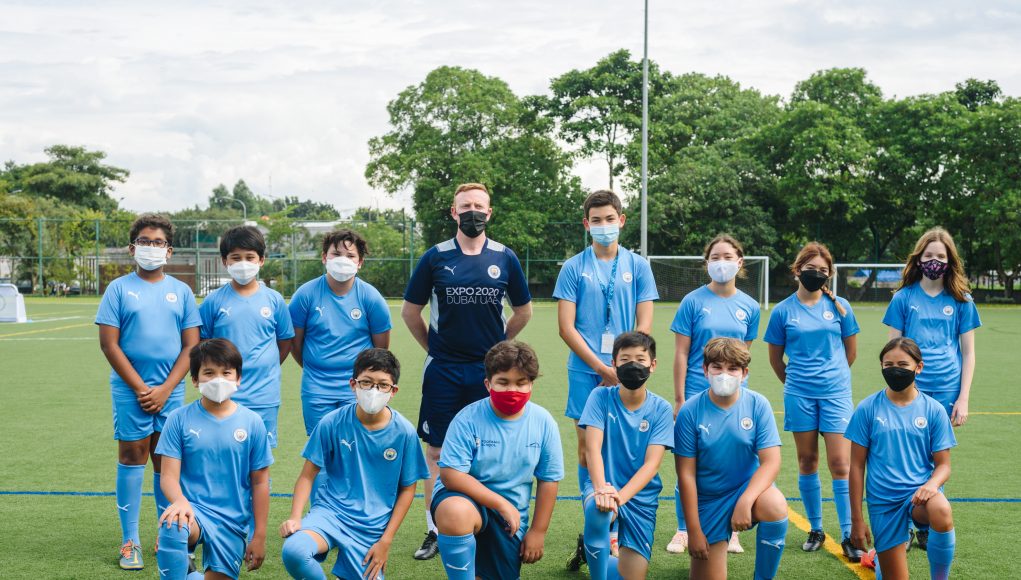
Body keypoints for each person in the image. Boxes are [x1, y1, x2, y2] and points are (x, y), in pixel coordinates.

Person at [402, 183, 533, 559]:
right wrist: (434, 349)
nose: (472, 211)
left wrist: (499, 350)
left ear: (489, 212)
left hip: (487, 373)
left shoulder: (505, 257)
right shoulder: (435, 257)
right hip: (443, 370)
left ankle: (489, 522)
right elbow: (410, 311)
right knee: (437, 450)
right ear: (453, 212)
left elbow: (523, 310)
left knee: (488, 447)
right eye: (465, 206)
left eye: (478, 205)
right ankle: (435, 529)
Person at [554, 189, 658, 569]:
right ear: (587, 224)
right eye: (596, 220)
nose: (603, 225)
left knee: (623, 446)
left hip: (628, 368)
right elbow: (566, 327)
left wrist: (625, 365)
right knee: (587, 449)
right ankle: (597, 525)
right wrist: (602, 369)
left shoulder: (638, 266)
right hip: (587, 371)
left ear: (621, 221)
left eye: (609, 219)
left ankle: (614, 521)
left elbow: (645, 324)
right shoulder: (573, 267)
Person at [95, 213, 201, 570]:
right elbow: (109, 344)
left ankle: (164, 534)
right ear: (132, 248)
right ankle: (130, 541)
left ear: (168, 251)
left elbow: (191, 346)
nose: (150, 247)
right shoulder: (118, 289)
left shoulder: (181, 291)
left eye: (158, 243)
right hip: (131, 391)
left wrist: (166, 389)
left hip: (170, 391)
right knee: (132, 455)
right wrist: (142, 388)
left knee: (164, 459)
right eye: (144, 241)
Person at [280, 348, 429, 580]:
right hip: (329, 513)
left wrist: (385, 541)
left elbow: (408, 489)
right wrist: (295, 517)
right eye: (366, 382)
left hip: (371, 527)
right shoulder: (331, 422)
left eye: (383, 385)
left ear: (393, 391)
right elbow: (307, 475)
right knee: (294, 551)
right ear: (353, 384)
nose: (373, 391)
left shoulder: (405, 433)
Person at [431, 340, 563, 579]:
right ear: (488, 383)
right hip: (466, 498)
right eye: (503, 382)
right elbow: (450, 475)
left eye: (521, 383)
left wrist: (538, 531)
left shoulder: (544, 423)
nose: (512, 390)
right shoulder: (467, 419)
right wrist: (500, 503)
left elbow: (549, 480)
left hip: (510, 517)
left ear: (531, 384)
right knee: (455, 511)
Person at [763, 242, 862, 559]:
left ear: (829, 274)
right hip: (799, 395)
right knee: (807, 461)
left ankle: (848, 534)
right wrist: (797, 383)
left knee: (841, 464)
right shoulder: (782, 311)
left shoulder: (841, 306)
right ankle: (816, 529)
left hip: (836, 395)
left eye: (822, 270)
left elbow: (850, 352)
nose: (816, 274)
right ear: (797, 270)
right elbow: (776, 359)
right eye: (810, 269)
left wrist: (831, 378)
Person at [882, 227, 978, 551]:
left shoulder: (962, 300)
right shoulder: (903, 298)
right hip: (912, 387)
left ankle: (928, 524)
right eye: (929, 255)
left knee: (937, 458)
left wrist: (963, 398)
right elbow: (893, 350)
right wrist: (895, 385)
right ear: (919, 258)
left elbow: (968, 353)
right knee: (908, 454)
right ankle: (907, 525)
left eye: (940, 256)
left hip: (947, 388)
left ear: (950, 261)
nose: (934, 261)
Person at [666, 234, 759, 555]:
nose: (722, 262)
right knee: (689, 464)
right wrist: (680, 398)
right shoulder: (692, 302)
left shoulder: (750, 306)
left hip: (735, 398)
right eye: (715, 257)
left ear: (739, 262)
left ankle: (731, 530)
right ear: (706, 263)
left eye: (727, 256)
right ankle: (683, 528)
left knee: (733, 462)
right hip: (696, 392)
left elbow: (743, 356)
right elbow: (681, 353)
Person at [154, 338, 273, 579]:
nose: (218, 379)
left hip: (232, 520)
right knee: (173, 525)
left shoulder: (253, 423)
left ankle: (190, 573)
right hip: (193, 510)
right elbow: (167, 476)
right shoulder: (178, 419)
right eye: (209, 373)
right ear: (195, 379)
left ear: (238, 378)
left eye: (226, 373)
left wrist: (259, 535)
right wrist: (180, 502)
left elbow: (260, 482)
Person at [674, 338, 788, 580]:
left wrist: (745, 501)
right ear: (705, 370)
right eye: (717, 367)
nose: (724, 374)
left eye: (733, 368)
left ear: (744, 373)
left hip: (746, 491)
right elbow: (686, 475)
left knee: (775, 504)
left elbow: (771, 462)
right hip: (709, 501)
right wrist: (693, 530)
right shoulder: (690, 411)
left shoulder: (758, 404)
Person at [846, 338, 957, 580]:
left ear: (919, 367)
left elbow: (944, 466)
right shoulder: (867, 408)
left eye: (903, 365)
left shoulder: (934, 410)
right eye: (889, 365)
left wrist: (931, 485)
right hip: (883, 502)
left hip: (920, 496)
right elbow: (856, 466)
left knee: (941, 509)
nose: (895, 370)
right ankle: (881, 558)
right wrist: (856, 519)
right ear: (881, 366)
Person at [579, 332, 672, 580]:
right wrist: (602, 490)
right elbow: (592, 449)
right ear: (614, 364)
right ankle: (596, 556)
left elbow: (652, 465)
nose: (633, 365)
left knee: (630, 576)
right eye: (625, 359)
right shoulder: (600, 397)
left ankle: (591, 550)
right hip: (603, 487)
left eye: (640, 359)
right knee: (598, 511)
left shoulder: (661, 408)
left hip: (641, 497)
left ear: (652, 365)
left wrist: (618, 498)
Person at [199, 225, 294, 449]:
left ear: (261, 260)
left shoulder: (274, 300)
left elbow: (285, 342)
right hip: (223, 393)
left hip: (264, 396)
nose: (243, 263)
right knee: (224, 451)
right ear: (225, 261)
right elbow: (202, 345)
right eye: (236, 257)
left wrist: (265, 364)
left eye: (250, 257)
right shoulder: (212, 301)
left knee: (260, 457)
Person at [289, 229, 391, 435]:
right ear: (324, 257)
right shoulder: (305, 295)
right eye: (336, 254)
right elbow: (294, 343)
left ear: (360, 262)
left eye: (350, 255)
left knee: (355, 443)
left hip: (358, 386)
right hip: (316, 387)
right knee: (321, 445)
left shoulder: (371, 297)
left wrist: (364, 377)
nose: (343, 260)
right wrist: (316, 367)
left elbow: (380, 349)